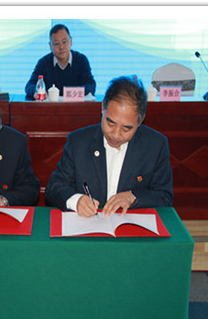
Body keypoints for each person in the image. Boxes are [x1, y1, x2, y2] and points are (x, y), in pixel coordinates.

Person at [45, 75, 173, 216]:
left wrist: (133, 196)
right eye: (110, 123)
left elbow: (164, 196)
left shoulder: (155, 145)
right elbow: (54, 187)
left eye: (126, 129)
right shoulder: (79, 142)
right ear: (102, 108)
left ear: (140, 121)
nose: (115, 135)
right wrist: (76, 201)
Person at [25, 23, 96, 100]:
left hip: (75, 106)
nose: (61, 47)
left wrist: (70, 93)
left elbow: (91, 85)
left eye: (64, 42)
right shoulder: (43, 63)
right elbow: (30, 85)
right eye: (56, 44)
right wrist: (36, 91)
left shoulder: (81, 60)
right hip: (51, 107)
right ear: (50, 46)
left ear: (71, 41)